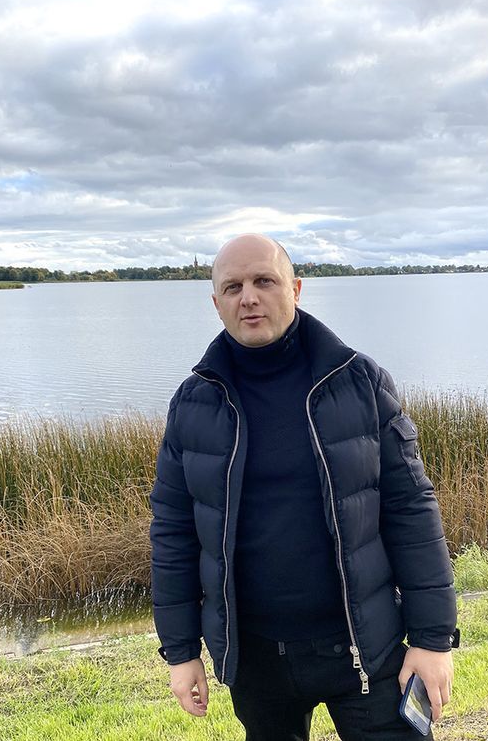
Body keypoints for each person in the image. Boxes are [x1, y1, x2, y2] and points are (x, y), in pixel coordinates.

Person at [150, 233, 458, 740]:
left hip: (364, 647)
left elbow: (411, 509)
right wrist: (180, 652)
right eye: (233, 287)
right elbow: (173, 532)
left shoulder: (359, 383)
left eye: (264, 281)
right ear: (216, 303)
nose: (249, 297)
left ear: (295, 288)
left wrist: (432, 639)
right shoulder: (194, 403)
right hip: (255, 660)